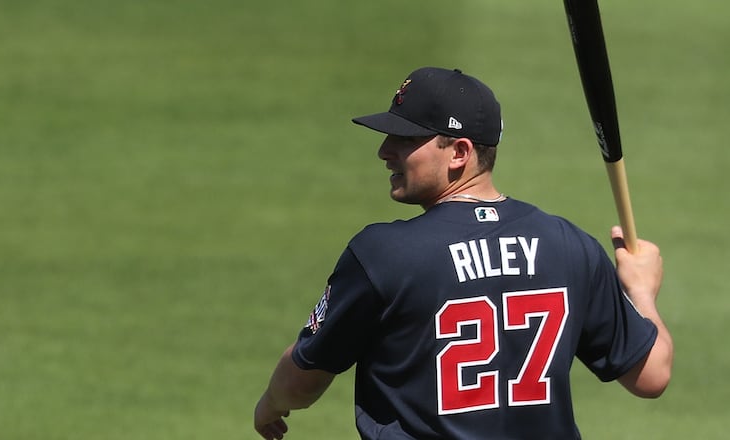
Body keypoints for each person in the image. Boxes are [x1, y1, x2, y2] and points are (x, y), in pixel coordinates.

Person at [253, 67, 673, 439]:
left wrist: (271, 404)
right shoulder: (569, 244)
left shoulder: (384, 255)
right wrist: (641, 290)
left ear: (460, 152)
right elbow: (651, 374)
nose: (384, 151)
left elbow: (303, 379)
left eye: (406, 138)